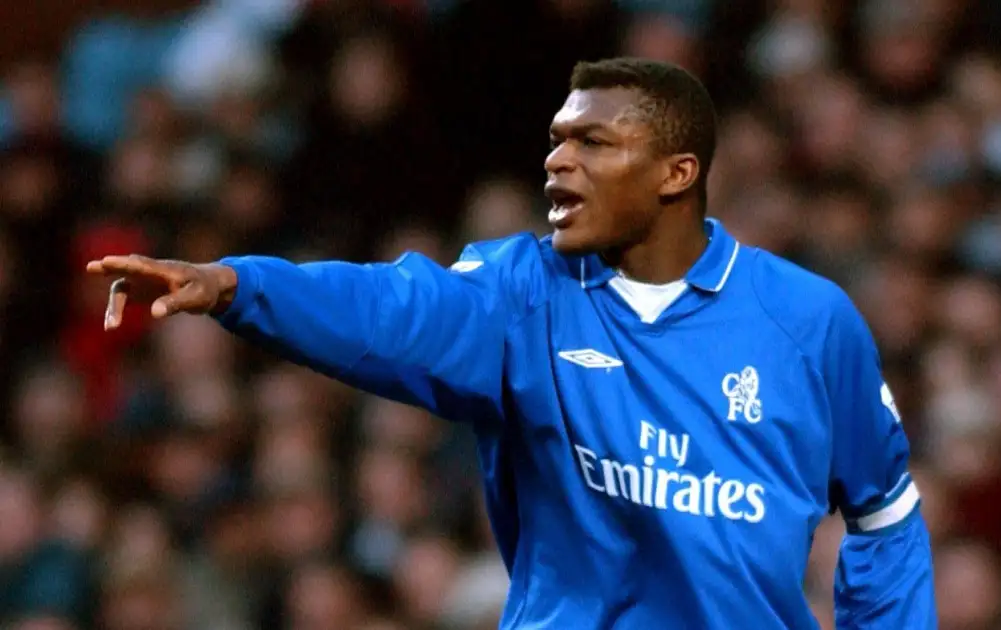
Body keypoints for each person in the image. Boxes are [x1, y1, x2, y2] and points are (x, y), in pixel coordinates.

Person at [87, 58, 935, 629]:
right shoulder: (522, 293)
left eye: (592, 142)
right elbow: (391, 307)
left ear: (677, 173)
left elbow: (884, 517)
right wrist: (241, 286)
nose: (557, 162)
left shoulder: (809, 323)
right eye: (558, 139)